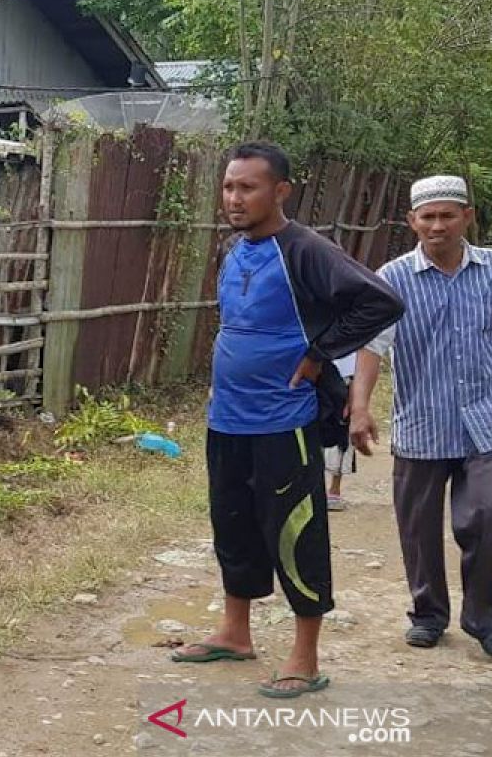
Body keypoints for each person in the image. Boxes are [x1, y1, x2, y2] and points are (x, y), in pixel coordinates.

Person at [171, 142, 404, 699]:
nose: (234, 198)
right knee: (233, 525)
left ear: (280, 191)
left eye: (247, 187)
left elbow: (380, 301)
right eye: (229, 187)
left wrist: (320, 353)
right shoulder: (235, 249)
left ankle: (304, 655)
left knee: (296, 533)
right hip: (228, 419)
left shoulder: (304, 249)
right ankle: (235, 632)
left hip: (283, 421)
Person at [348, 175, 492, 660]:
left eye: (447, 215)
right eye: (427, 217)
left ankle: (482, 617)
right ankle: (429, 614)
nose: (437, 225)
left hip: (488, 418)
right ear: (412, 221)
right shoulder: (392, 277)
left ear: (467, 217)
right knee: (418, 526)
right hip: (423, 420)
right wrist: (361, 406)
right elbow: (372, 347)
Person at [324, 352, 358, 512]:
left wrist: (354, 399)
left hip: (344, 382)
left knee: (342, 436)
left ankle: (334, 490)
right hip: (319, 377)